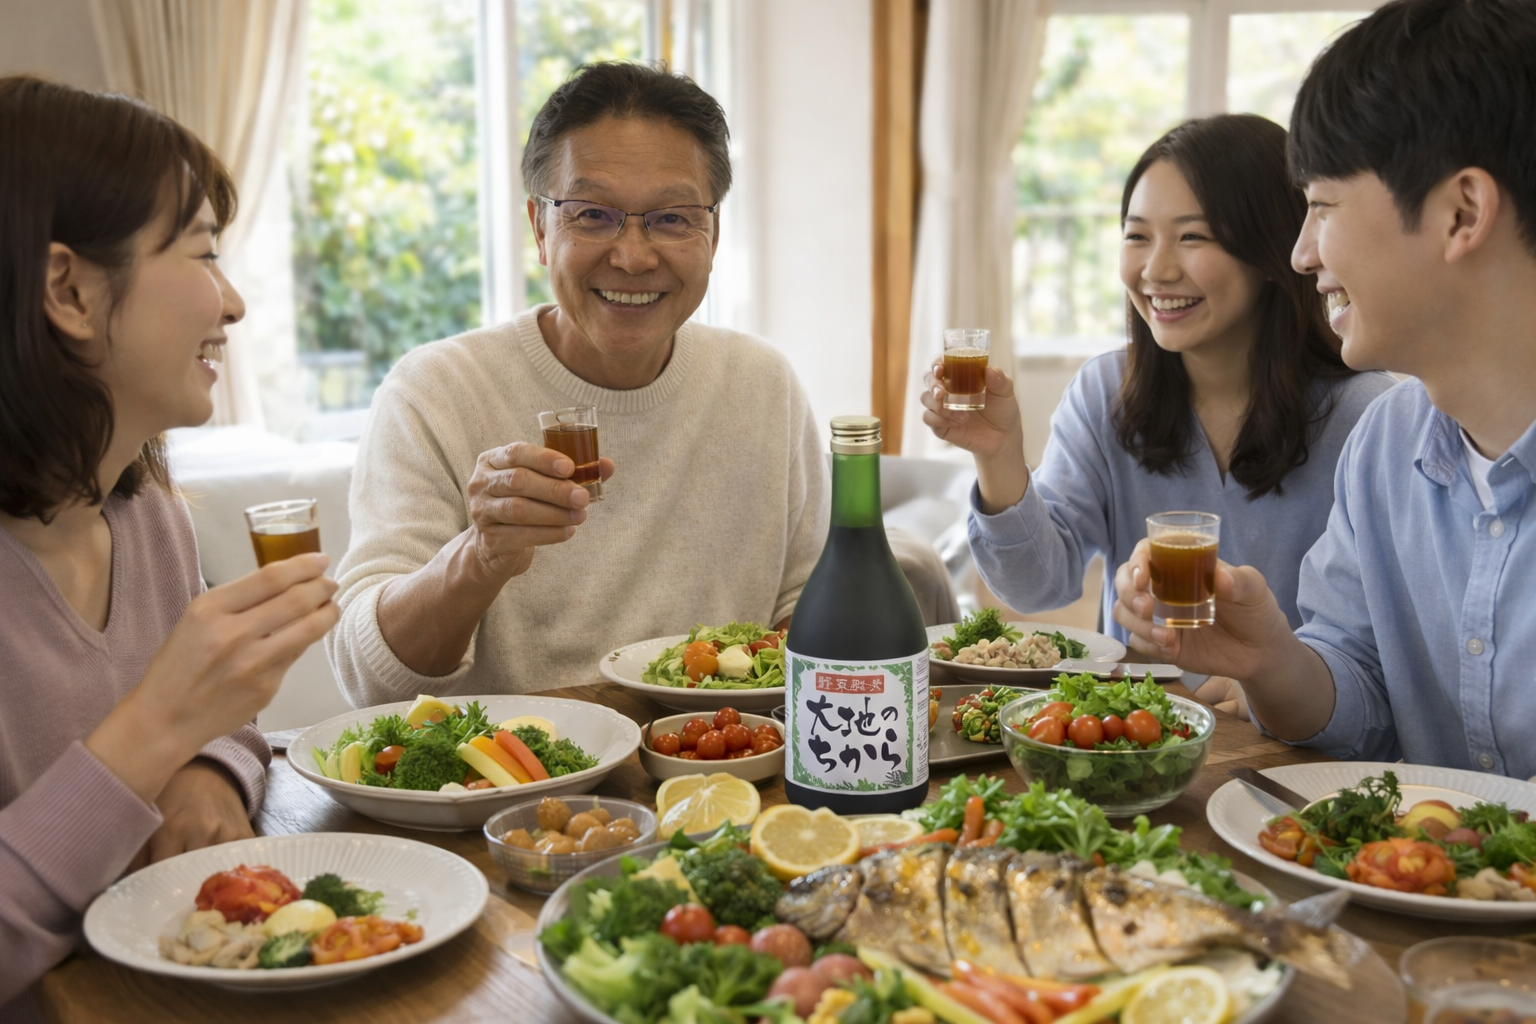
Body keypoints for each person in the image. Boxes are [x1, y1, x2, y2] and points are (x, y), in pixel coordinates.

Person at [329, 61, 954, 705]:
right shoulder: (435, 392)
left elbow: (803, 613)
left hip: (727, 778)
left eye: (673, 217)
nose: (632, 255)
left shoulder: (762, 384)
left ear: (714, 235)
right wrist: (479, 558)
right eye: (593, 214)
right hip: (513, 787)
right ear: (540, 228)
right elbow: (368, 677)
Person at [1112, 0, 1536, 777]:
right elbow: (1360, 706)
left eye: (1321, 206)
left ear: (1461, 212)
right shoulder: (1388, 446)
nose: (1303, 255)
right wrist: (1269, 657)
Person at [0, 77, 339, 1013]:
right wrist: (155, 729)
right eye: (200, 252)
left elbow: (219, 719)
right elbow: (168, 710)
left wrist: (203, 767)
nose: (231, 304)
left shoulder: (147, 512)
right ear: (66, 289)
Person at [921, 114, 1395, 716]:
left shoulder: (1368, 416)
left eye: (1193, 237)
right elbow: (1037, 586)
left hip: (1292, 744)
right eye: (1137, 235)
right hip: (1130, 737)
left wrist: (1272, 691)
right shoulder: (1106, 391)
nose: (1157, 269)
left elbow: (1381, 653)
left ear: (1273, 249)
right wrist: (997, 454)